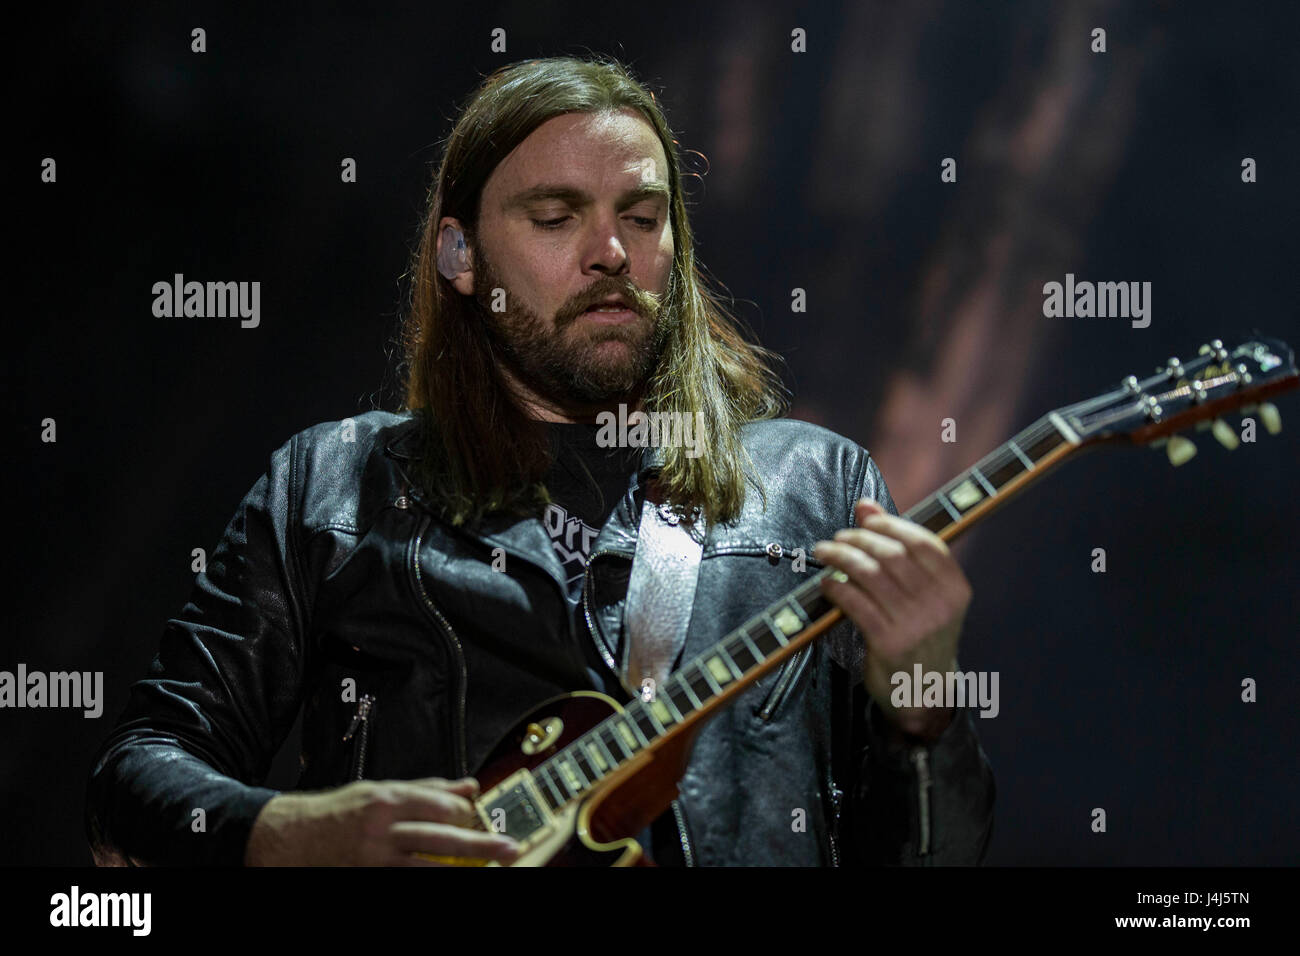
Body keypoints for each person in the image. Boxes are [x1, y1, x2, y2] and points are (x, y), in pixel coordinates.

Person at [85, 55, 994, 867]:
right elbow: (134, 777)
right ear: (462, 255)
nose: (611, 254)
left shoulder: (814, 488)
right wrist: (291, 833)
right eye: (556, 217)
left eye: (642, 218)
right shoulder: (334, 485)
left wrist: (925, 708)